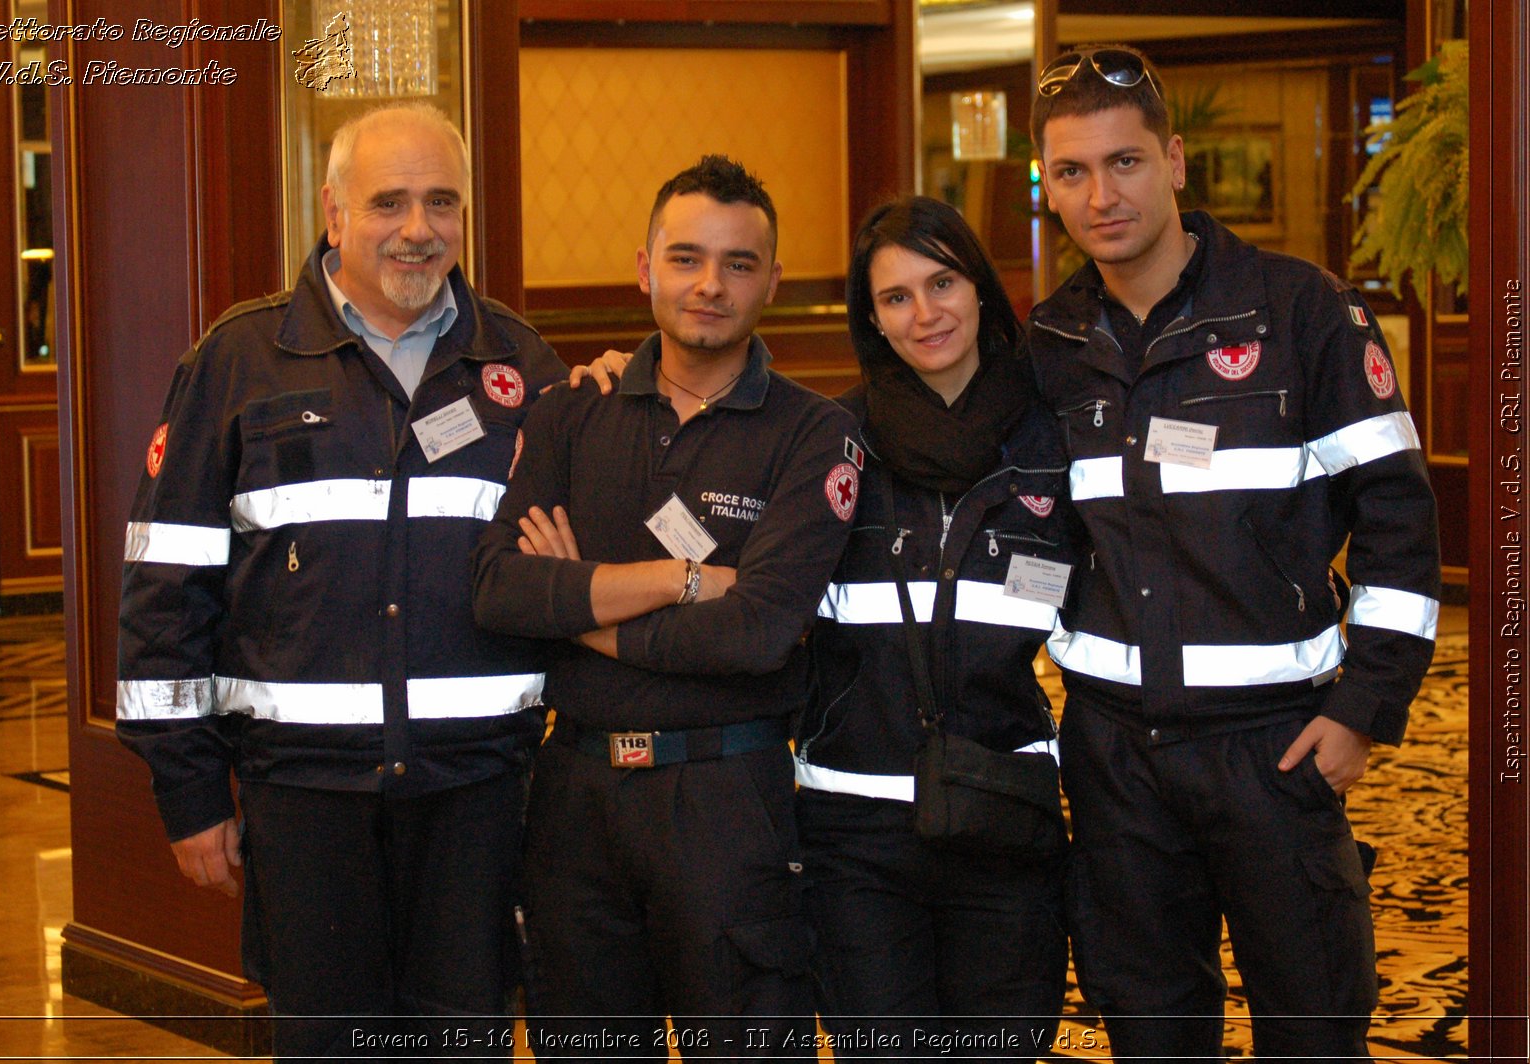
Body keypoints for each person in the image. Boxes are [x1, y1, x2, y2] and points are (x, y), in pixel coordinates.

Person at [117, 103, 581, 1060]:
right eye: (389, 203)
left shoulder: (523, 367)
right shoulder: (237, 363)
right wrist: (191, 793)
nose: (419, 229)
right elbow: (165, 589)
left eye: (442, 202)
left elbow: (572, 576)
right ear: (333, 214)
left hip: (482, 798)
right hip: (304, 802)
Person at [1027, 45, 1442, 1061]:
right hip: (1115, 755)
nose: (1100, 194)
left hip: (1277, 749)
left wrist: (1363, 707)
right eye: (1071, 173)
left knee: (1312, 1026)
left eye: (1122, 162)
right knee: (1151, 1030)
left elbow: (1398, 520)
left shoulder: (1303, 312)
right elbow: (1029, 532)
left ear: (1173, 161)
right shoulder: (1045, 343)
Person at [472, 154, 858, 1059]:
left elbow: (756, 633)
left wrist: (575, 608)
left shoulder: (815, 432)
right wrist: (678, 580)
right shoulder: (573, 412)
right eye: (685, 258)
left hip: (728, 798)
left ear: (772, 281)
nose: (709, 285)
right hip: (574, 796)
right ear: (646, 270)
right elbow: (498, 588)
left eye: (737, 263)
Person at [792, 196, 1073, 1060]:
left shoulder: (1054, 438)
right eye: (896, 297)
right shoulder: (829, 442)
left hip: (1004, 815)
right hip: (855, 832)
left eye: (942, 281)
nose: (926, 314)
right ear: (871, 319)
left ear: (982, 288)